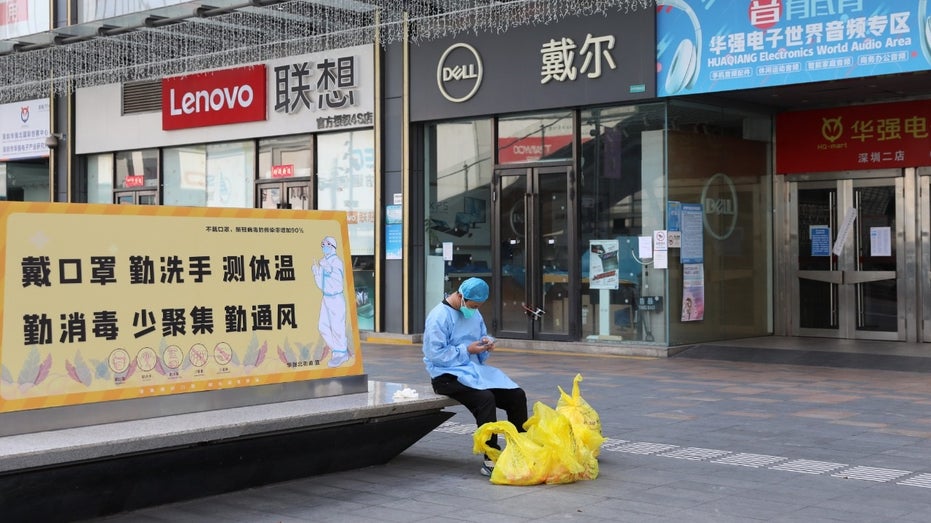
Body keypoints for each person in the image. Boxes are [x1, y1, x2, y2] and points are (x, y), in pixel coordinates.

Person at [422, 277, 528, 477]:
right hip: (445, 375)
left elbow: (480, 337)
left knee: (516, 395)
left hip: (472, 370)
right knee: (485, 399)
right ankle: (491, 458)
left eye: (478, 306)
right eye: (473, 305)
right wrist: (466, 350)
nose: (474, 309)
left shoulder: (473, 312)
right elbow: (434, 354)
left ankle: (521, 448)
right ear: (461, 296)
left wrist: (486, 344)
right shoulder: (439, 316)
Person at [312, 236, 351, 367]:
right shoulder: (323, 261)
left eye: (327, 244)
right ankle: (339, 350)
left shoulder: (336, 262)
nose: (324, 247)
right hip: (326, 297)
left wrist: (329, 268)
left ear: (333, 246)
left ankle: (340, 354)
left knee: (337, 327)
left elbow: (337, 281)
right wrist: (317, 273)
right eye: (322, 244)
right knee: (322, 326)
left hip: (336, 298)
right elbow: (322, 284)